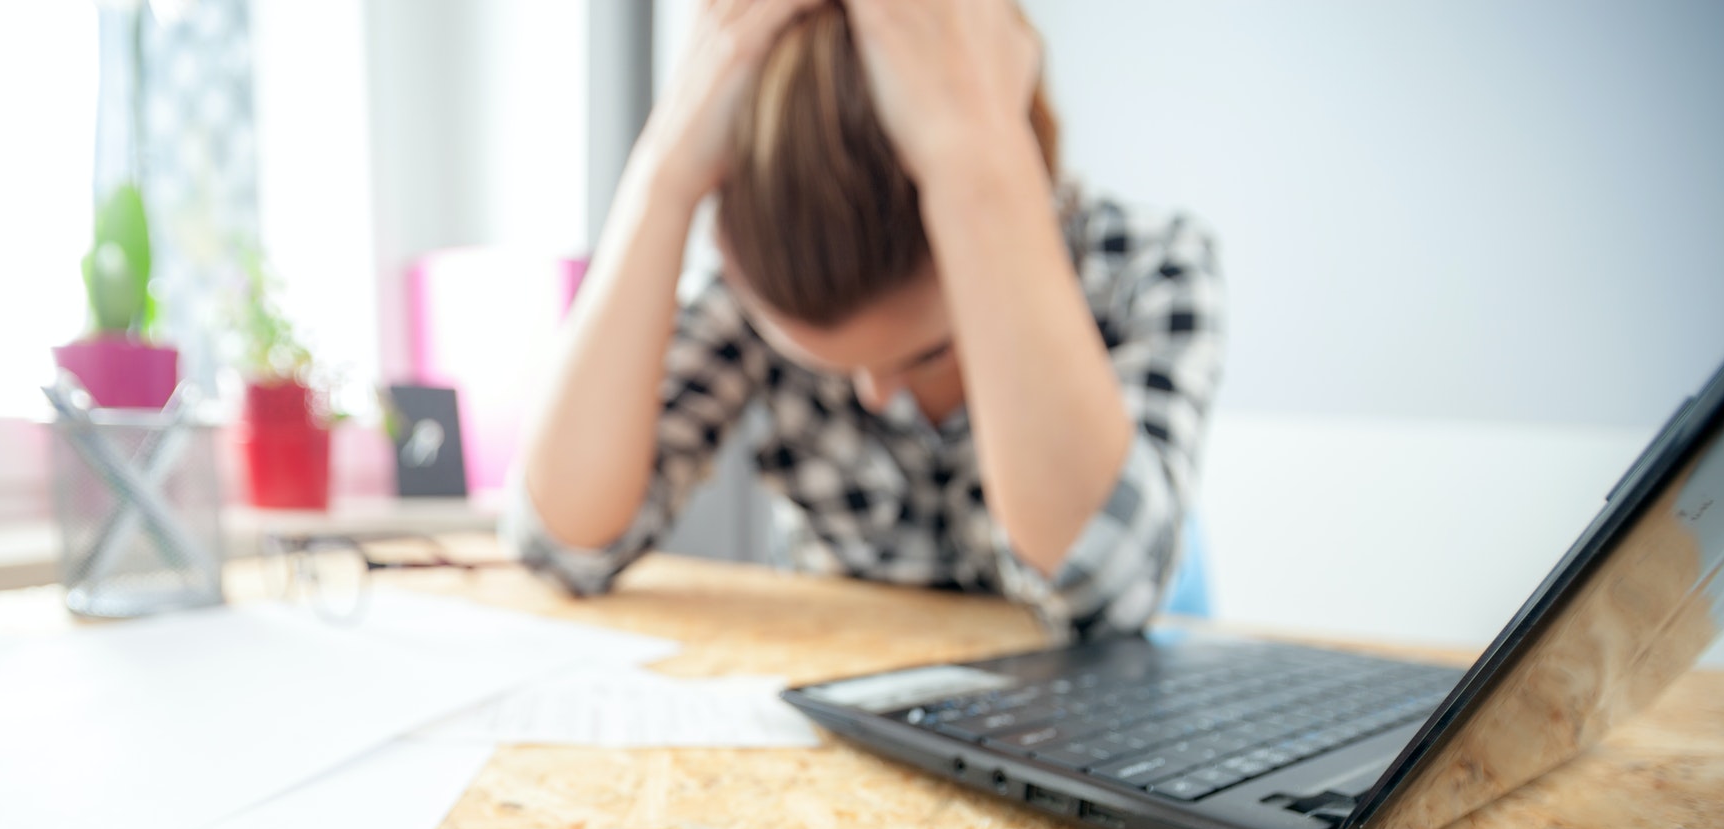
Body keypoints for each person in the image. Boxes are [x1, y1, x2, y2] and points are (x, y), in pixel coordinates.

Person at [509, 0, 1222, 639]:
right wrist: (663, 174)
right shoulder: (755, 290)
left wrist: (977, 166)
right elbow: (562, 543)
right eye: (832, 366)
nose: (874, 395)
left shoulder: (1149, 267)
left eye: (929, 353)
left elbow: (1107, 589)